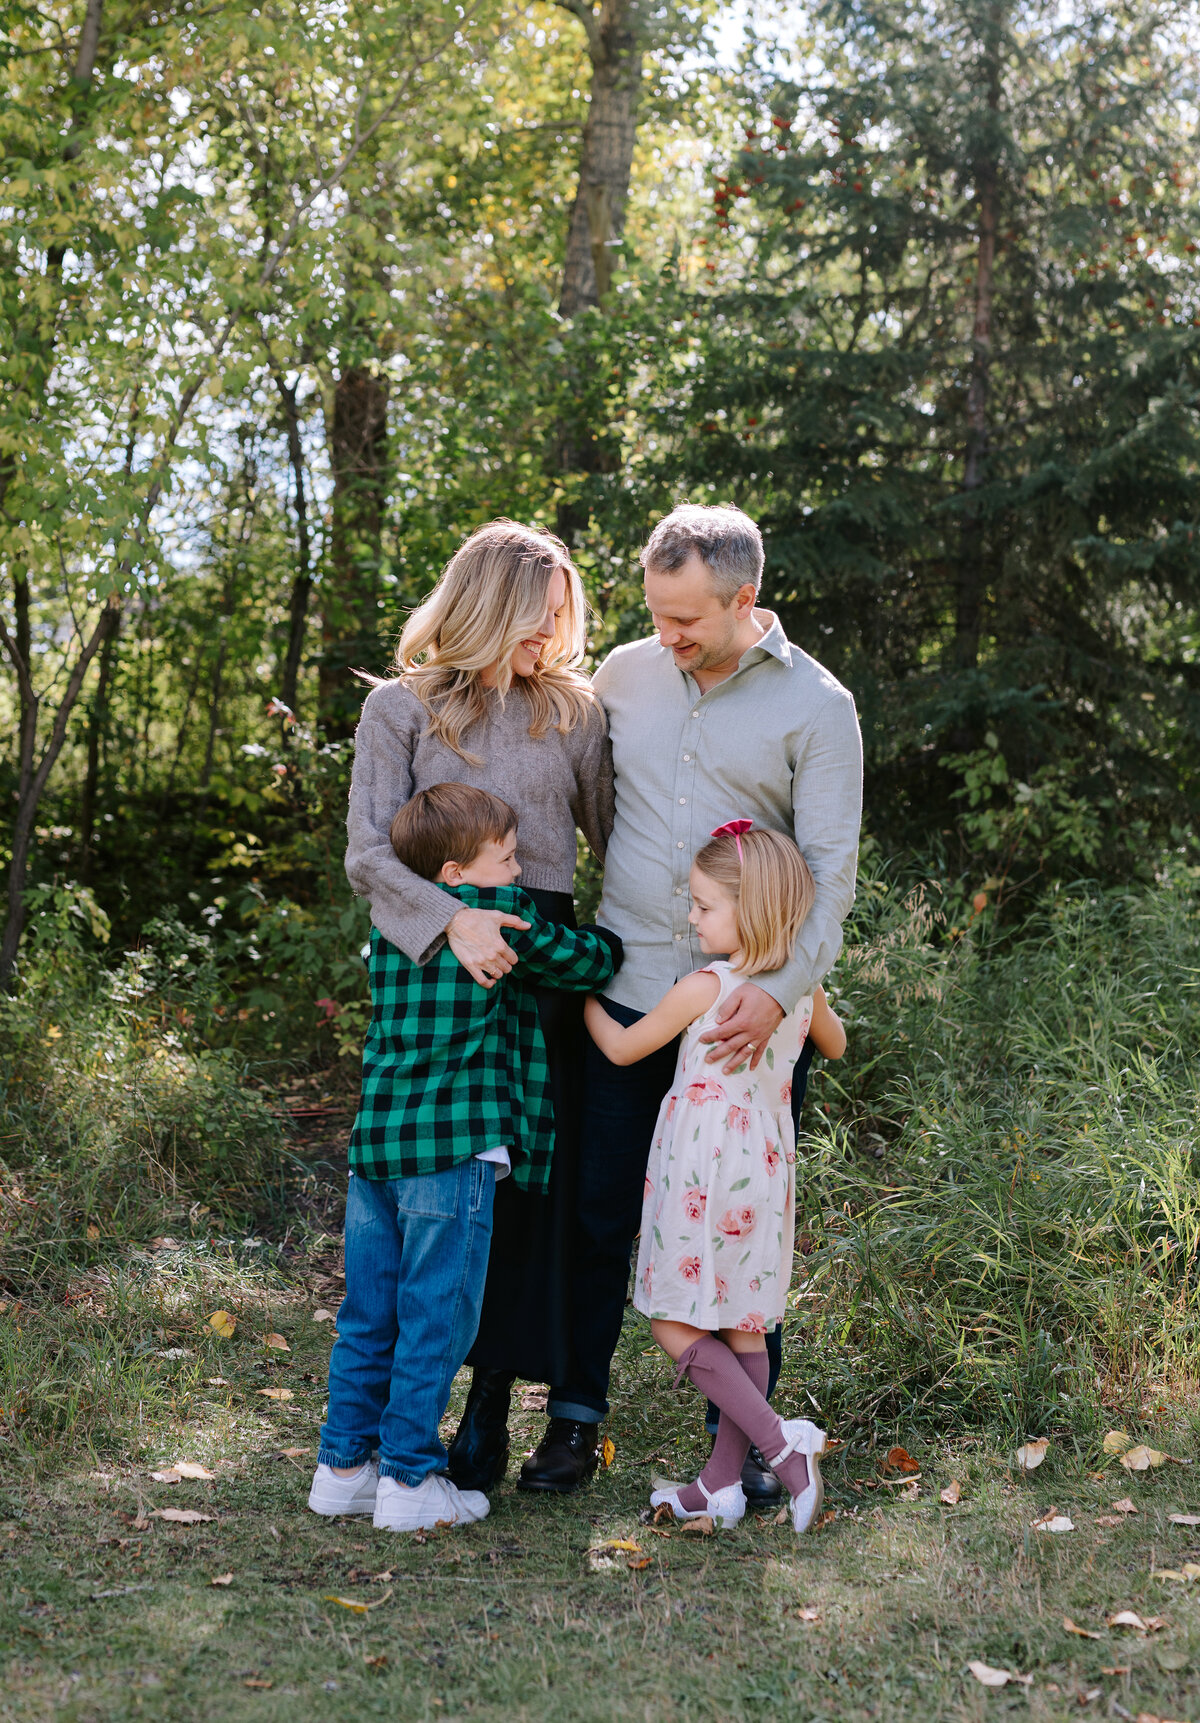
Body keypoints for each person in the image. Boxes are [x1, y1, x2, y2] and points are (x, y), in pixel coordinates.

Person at [519, 502, 861, 1497]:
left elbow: (832, 878)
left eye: (688, 621)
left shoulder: (817, 706)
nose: (666, 637)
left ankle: (750, 1447)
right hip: (627, 988)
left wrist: (785, 989)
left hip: (748, 1022)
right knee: (596, 1215)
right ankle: (575, 1424)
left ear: (744, 598)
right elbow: (583, 799)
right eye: (656, 614)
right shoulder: (625, 673)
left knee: (744, 1231)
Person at [342, 520, 614, 1495]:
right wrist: (455, 922)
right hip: (435, 966)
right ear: (487, 603)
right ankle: (387, 1427)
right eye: (535, 619)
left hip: (539, 965)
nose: (549, 638)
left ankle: (490, 1404)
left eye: (561, 621)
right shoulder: (401, 710)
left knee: (527, 1197)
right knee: (442, 1188)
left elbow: (617, 842)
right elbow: (368, 855)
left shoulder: (573, 713)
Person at [309, 784, 622, 1532]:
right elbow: (589, 961)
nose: (520, 867)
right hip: (453, 1155)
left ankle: (343, 1467)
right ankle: (411, 1477)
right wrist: (609, 940)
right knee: (433, 1319)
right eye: (507, 856)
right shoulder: (497, 922)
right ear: (456, 875)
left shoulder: (393, 927)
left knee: (367, 1318)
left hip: (377, 1152)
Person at [583, 822, 843, 1534]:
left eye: (703, 905)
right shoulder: (798, 990)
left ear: (749, 908)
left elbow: (624, 1044)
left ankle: (783, 1446)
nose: (692, 917)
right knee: (745, 1325)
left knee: (670, 1312)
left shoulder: (707, 985)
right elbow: (838, 1042)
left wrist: (584, 999)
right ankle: (718, 1484)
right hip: (764, 1168)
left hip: (702, 1170)